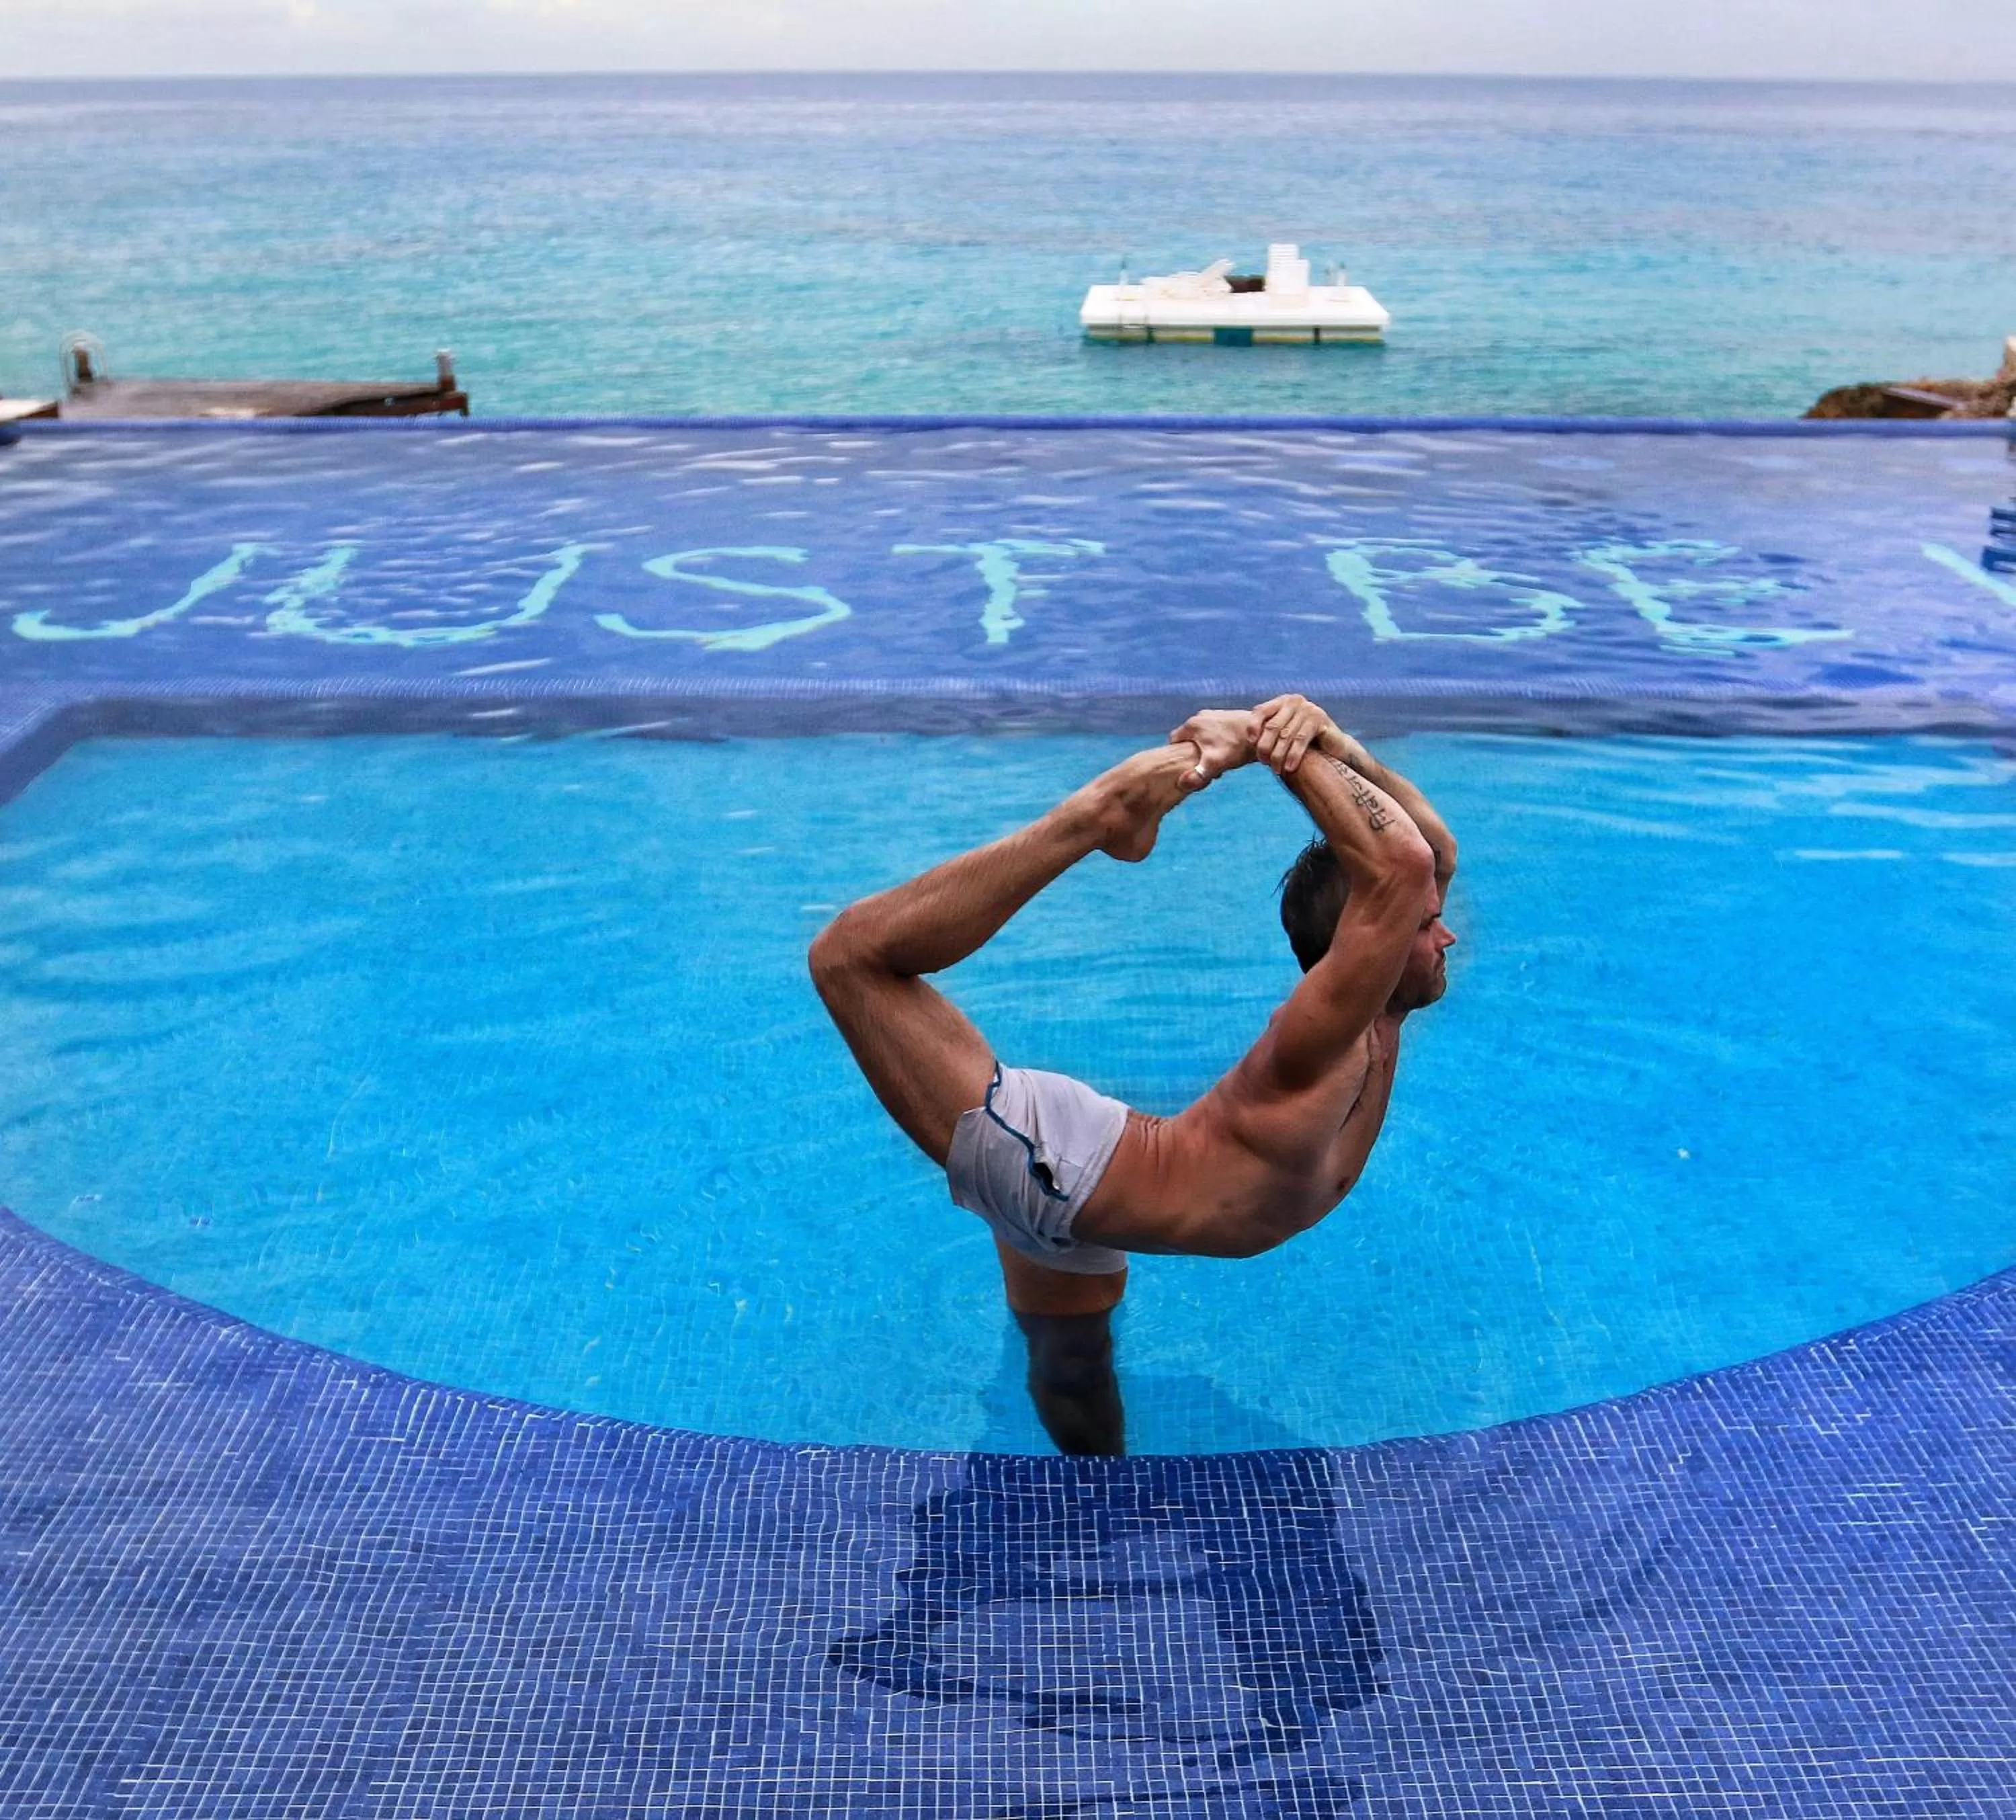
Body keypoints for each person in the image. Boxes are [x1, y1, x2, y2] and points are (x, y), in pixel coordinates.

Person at [808, 695, 1458, 1456]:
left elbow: (1428, 853)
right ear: (1365, 942)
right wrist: (1261, 739)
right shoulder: (1324, 1036)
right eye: (1421, 923)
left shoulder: (1391, 1004)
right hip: (1052, 1165)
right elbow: (1405, 862)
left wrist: (1333, 740)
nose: (1447, 933)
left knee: (1074, 1380)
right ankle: (1095, 819)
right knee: (848, 955)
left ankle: (1088, 1543)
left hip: (1083, 1195)